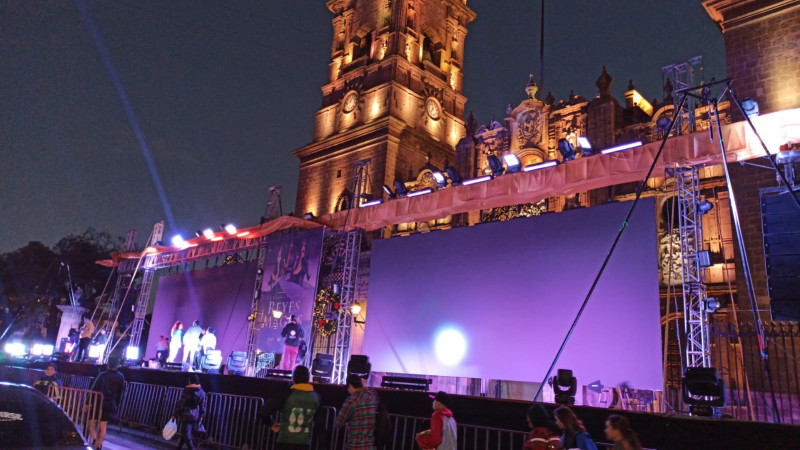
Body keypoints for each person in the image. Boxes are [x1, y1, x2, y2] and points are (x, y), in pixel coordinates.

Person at [259, 365, 326, 450]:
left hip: (285, 441)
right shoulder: (316, 398)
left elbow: (263, 412)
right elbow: (320, 426)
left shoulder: (286, 395)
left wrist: (271, 424)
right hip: (304, 443)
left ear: (293, 380)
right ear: (308, 380)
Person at [86, 357, 125, 450]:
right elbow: (120, 392)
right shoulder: (121, 376)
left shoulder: (102, 375)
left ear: (107, 365)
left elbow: (93, 388)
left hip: (99, 401)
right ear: (118, 366)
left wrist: (87, 402)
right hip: (111, 403)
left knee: (91, 422)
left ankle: (94, 440)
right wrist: (117, 404)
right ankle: (99, 445)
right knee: (103, 426)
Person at [336, 374, 379, 449]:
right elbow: (369, 394)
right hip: (369, 446)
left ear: (350, 386)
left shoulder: (351, 401)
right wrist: (365, 388)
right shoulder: (372, 397)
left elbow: (339, 423)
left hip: (355, 445)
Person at [172, 374, 207, 450]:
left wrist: (175, 414)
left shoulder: (187, 390)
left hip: (186, 414)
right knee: (185, 433)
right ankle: (179, 448)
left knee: (186, 434)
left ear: (191, 381)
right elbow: (203, 405)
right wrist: (201, 417)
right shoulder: (202, 392)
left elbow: (181, 403)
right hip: (195, 415)